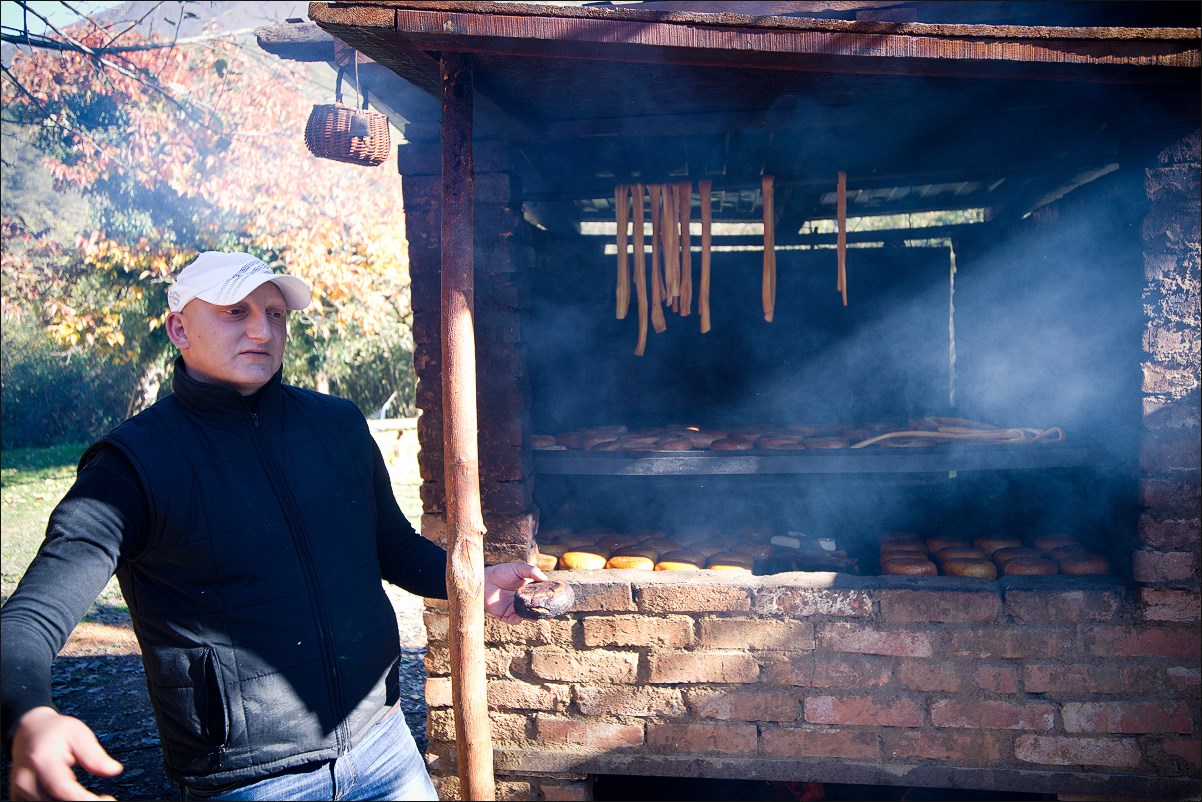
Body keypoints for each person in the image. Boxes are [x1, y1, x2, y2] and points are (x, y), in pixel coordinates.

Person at [1, 252, 546, 801]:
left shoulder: (337, 424)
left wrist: (470, 581)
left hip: (384, 749)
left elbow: (391, 547)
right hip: (251, 782)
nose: (263, 329)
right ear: (179, 329)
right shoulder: (132, 466)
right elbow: (28, 618)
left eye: (276, 313)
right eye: (235, 312)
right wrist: (29, 715)